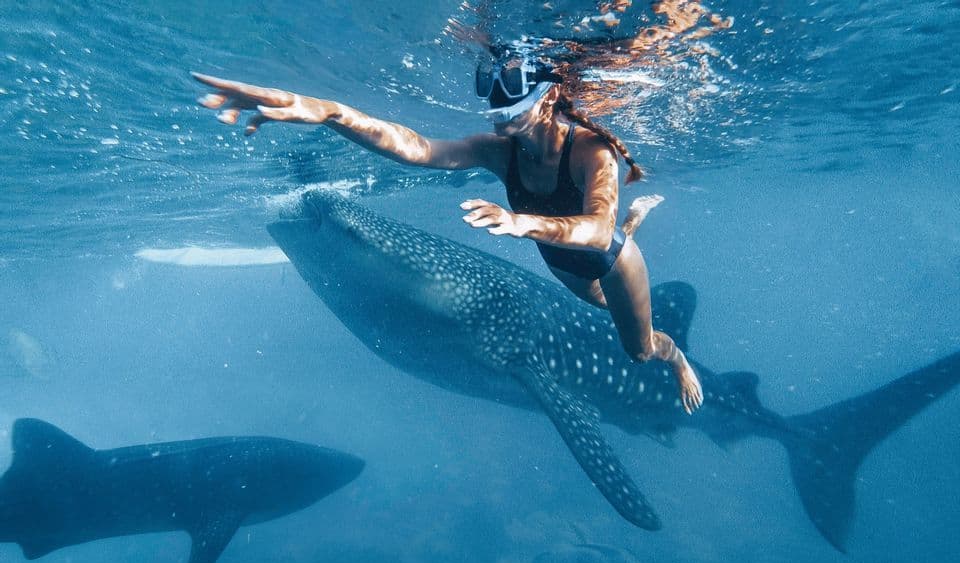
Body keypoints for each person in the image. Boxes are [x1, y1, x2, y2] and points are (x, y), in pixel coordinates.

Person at [192, 49, 703, 413]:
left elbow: (594, 230)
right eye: (495, 111)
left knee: (638, 347)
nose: (498, 122)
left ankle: (676, 355)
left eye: (511, 112)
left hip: (607, 263)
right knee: (592, 273)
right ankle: (635, 220)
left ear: (547, 101)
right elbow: (417, 148)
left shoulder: (593, 151)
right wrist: (330, 113)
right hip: (562, 263)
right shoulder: (499, 148)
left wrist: (520, 222)